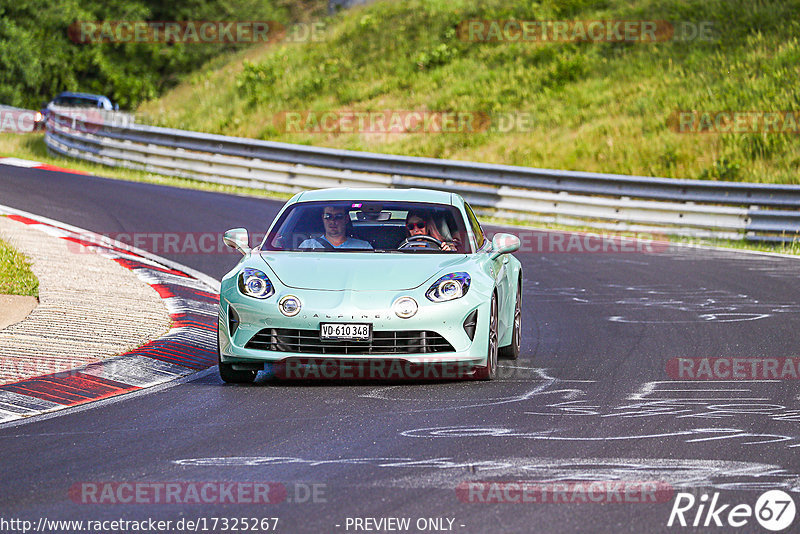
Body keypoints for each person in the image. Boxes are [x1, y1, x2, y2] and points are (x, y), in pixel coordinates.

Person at [298, 205, 372, 249]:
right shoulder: (308, 246)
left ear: (346, 219)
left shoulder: (363, 247)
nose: (332, 221)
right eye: (328, 216)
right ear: (323, 218)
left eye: (338, 216)